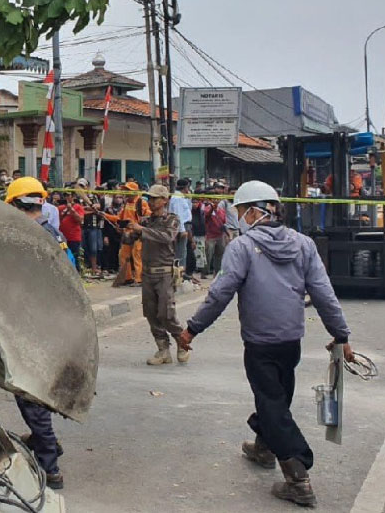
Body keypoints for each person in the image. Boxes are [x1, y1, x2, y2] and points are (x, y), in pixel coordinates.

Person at [179, 181, 355, 507]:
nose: (239, 218)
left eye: (241, 212)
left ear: (256, 211)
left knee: (273, 403)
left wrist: (192, 329)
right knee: (275, 397)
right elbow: (324, 294)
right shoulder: (304, 245)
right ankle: (263, 448)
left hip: (259, 344)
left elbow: (220, 293)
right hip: (291, 343)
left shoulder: (242, 248)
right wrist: (341, 333)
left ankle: (298, 477)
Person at [4, 176, 68, 489]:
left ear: (17, 204)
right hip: (55, 322)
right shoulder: (53, 233)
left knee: (30, 394)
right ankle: (48, 442)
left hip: (36, 325)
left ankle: (49, 466)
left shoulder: (28, 236)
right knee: (32, 391)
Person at [128, 184, 189, 365]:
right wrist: (129, 231)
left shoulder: (172, 219)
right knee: (151, 313)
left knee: (166, 312)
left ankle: (182, 342)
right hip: (147, 274)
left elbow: (167, 237)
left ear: (164, 200)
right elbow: (130, 240)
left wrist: (142, 230)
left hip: (164, 273)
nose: (152, 202)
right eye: (150, 198)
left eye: (155, 198)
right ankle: (163, 349)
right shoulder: (146, 221)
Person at [100, 182, 150, 285]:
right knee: (123, 255)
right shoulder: (127, 203)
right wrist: (105, 215)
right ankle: (127, 278)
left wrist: (138, 225)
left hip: (138, 234)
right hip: (127, 234)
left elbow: (148, 217)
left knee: (137, 256)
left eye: (128, 190)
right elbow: (119, 218)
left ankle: (139, 279)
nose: (126, 193)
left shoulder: (141, 203)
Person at [203, 187, 228, 276]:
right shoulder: (207, 208)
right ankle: (204, 272)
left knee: (219, 255)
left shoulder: (221, 210)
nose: (216, 200)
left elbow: (224, 222)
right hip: (210, 236)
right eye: (214, 198)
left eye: (217, 199)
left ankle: (217, 272)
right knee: (208, 255)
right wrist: (212, 209)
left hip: (220, 235)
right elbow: (207, 214)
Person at [169, 178, 193, 267]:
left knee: (183, 252)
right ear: (185, 187)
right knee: (181, 253)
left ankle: (181, 273)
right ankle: (179, 274)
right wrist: (182, 230)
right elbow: (178, 215)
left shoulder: (181, 197)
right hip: (181, 227)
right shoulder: (177, 198)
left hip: (184, 225)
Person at [82, 189, 105, 277]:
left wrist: (90, 208)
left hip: (93, 226)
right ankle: (85, 267)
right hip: (82, 226)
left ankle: (94, 268)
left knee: (94, 248)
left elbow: (99, 206)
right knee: (84, 248)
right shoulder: (78, 197)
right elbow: (81, 210)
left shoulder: (93, 196)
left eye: (83, 186)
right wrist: (92, 210)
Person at [58, 191, 85, 265]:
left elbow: (80, 220)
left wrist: (72, 210)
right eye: (65, 195)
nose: (67, 197)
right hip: (62, 238)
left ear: (73, 197)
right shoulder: (60, 208)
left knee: (74, 256)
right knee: (63, 255)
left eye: (68, 195)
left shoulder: (78, 207)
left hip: (74, 238)